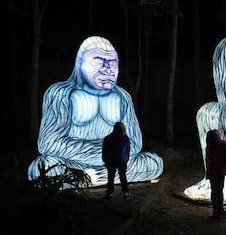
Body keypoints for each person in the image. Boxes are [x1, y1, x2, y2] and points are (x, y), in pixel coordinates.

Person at [27, 36, 163, 187]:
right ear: (79, 63)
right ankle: (92, 178)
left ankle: (88, 179)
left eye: (112, 62)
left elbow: (135, 143)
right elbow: (49, 143)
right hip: (73, 163)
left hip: (114, 162)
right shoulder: (60, 93)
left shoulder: (123, 97)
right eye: (98, 60)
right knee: (42, 168)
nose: (107, 68)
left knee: (154, 163)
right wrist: (104, 152)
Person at [205, 129, 226, 218]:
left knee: (214, 191)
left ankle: (215, 210)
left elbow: (207, 160)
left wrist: (208, 171)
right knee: (219, 191)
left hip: (212, 171)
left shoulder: (209, 146)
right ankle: (220, 210)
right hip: (219, 171)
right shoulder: (225, 145)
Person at [102, 122, 132, 200]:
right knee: (123, 177)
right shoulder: (126, 138)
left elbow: (104, 150)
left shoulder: (108, 138)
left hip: (111, 160)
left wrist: (105, 159)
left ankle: (109, 193)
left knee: (110, 178)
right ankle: (126, 193)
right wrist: (126, 159)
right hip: (122, 161)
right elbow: (128, 150)